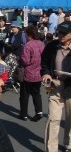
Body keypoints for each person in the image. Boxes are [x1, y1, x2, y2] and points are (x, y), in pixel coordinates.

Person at [42, 21, 71, 152]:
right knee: (53, 119)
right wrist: (47, 74)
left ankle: (69, 144)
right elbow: (44, 63)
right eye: (60, 32)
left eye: (65, 33)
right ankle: (51, 149)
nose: (61, 35)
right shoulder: (52, 46)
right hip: (55, 85)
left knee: (70, 119)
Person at [19, 25, 45, 122]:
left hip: (28, 73)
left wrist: (20, 58)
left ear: (28, 34)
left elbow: (25, 61)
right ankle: (39, 112)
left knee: (24, 95)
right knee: (36, 93)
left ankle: (24, 114)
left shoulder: (28, 45)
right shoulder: (41, 44)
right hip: (38, 73)